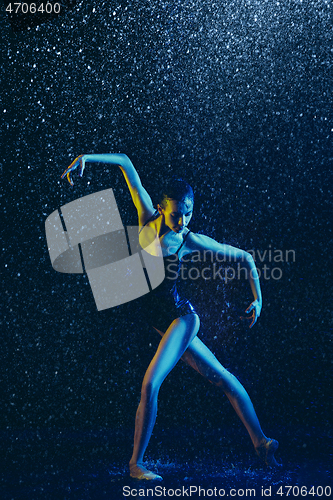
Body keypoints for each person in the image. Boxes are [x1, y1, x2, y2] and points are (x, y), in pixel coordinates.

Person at [62, 153, 280, 480]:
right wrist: (85, 158)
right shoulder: (146, 217)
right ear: (162, 209)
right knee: (220, 377)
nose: (183, 222)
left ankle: (136, 465)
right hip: (160, 322)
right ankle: (261, 442)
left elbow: (246, 259)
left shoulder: (189, 241)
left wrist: (258, 300)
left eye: (189, 214)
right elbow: (124, 162)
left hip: (182, 319)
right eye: (177, 215)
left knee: (150, 383)